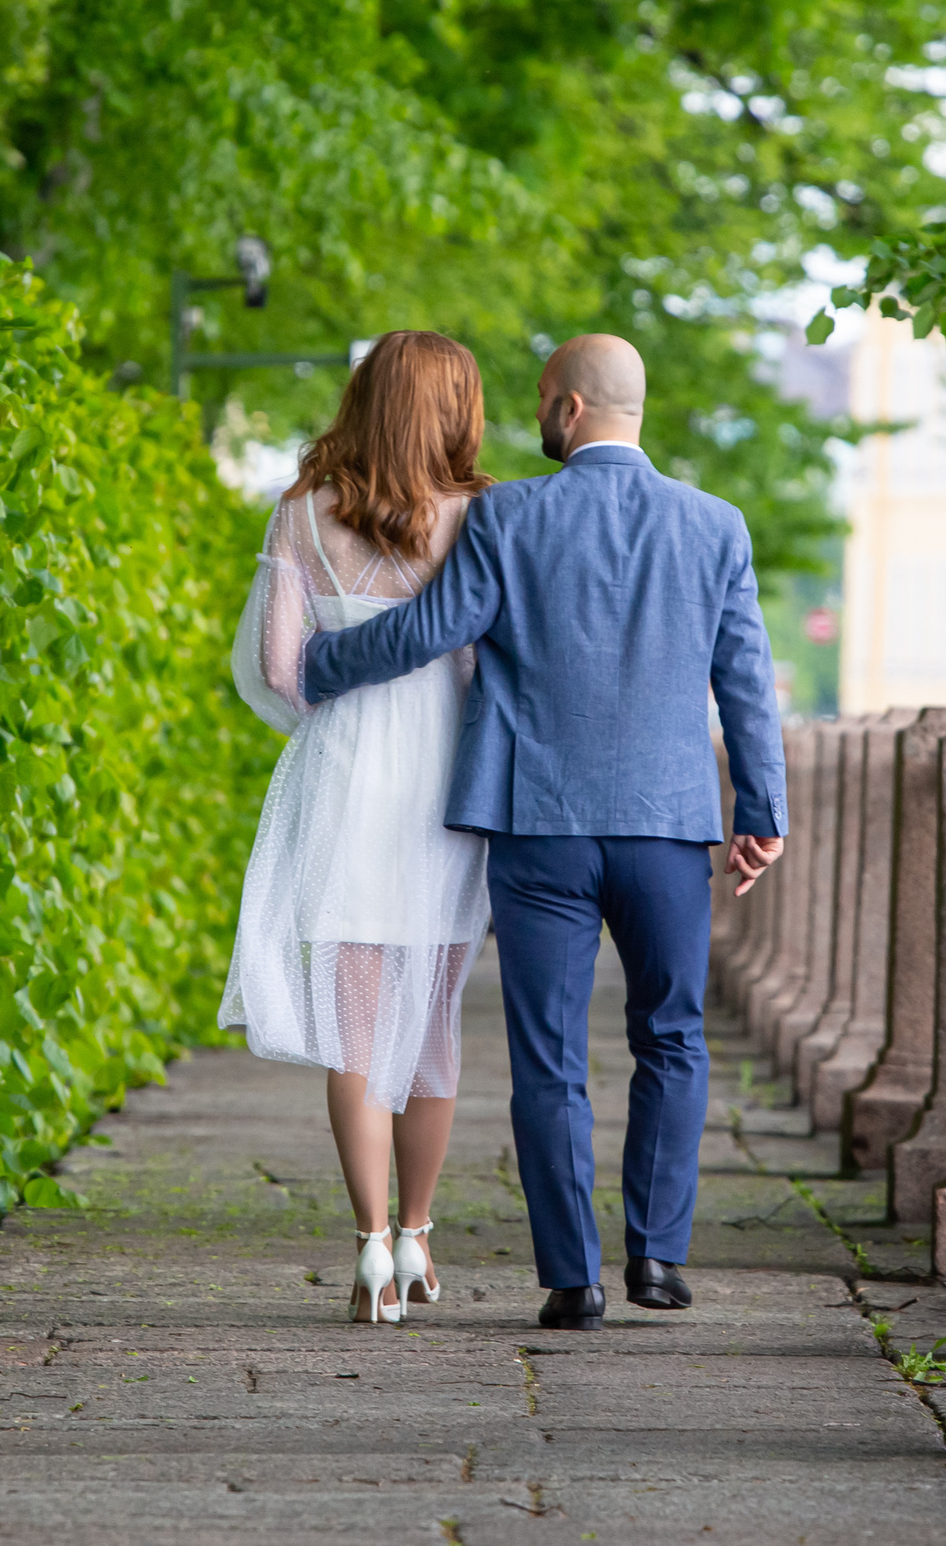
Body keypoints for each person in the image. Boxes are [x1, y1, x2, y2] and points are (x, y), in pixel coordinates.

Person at [298, 333, 787, 1331]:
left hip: (539, 826)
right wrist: (761, 815)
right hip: (666, 828)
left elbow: (432, 629)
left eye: (536, 400)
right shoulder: (715, 526)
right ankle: (656, 1256)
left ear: (567, 411)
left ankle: (574, 1280)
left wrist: (321, 665)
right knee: (671, 1036)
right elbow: (746, 681)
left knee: (550, 1055)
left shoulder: (511, 514)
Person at [225, 330, 497, 1325]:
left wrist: (343, 723)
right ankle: (420, 1234)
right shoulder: (477, 517)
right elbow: (481, 671)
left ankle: (370, 1244)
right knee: (431, 1021)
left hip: (344, 773)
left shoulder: (302, 513)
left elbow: (281, 669)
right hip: (441, 791)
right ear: (453, 408)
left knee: (354, 1024)